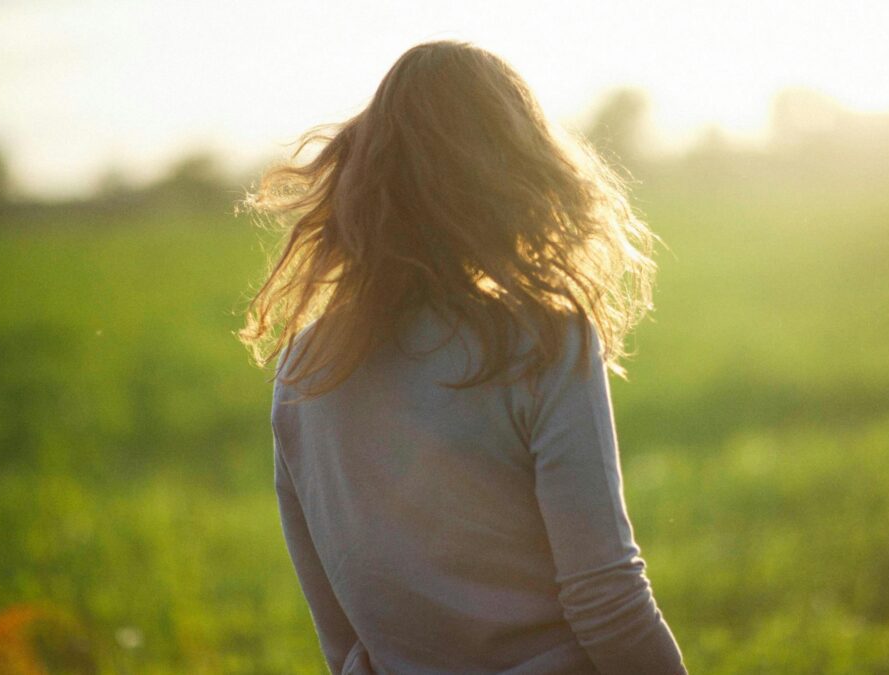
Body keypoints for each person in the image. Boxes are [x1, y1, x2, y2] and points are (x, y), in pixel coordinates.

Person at [238, 39, 687, 675]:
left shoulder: (304, 370)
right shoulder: (542, 339)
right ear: (515, 172)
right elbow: (605, 596)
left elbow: (340, 635)